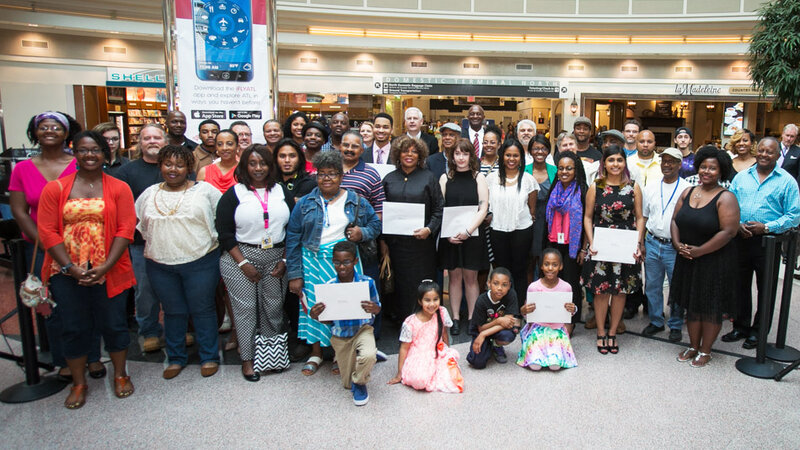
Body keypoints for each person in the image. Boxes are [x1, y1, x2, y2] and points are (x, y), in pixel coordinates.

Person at [38, 130, 137, 408]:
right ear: (75, 153)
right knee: (73, 327)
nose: (90, 155)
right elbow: (46, 231)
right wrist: (70, 267)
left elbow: (125, 228)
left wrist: (105, 266)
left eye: (95, 150)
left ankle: (120, 374)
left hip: (110, 269)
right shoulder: (56, 189)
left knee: (114, 324)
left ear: (105, 153)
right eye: (83, 150)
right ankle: (79, 383)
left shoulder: (119, 187)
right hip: (66, 273)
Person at [286, 151, 381, 376]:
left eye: (333, 174)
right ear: (316, 176)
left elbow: (375, 225)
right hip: (311, 262)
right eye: (322, 174)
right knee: (315, 307)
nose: (327, 179)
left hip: (343, 263)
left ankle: (342, 353)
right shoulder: (305, 202)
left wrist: (361, 232)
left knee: (344, 309)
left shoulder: (355, 200)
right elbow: (293, 237)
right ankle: (316, 353)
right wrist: (294, 274)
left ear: (341, 176)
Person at [136, 145, 222, 379]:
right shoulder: (149, 194)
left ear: (189, 168)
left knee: (203, 309)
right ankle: (175, 358)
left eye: (180, 165)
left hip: (201, 260)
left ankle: (209, 356)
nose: (173, 169)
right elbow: (143, 227)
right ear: (160, 165)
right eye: (168, 164)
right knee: (173, 311)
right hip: (160, 263)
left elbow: (220, 220)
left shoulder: (205, 191)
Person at [10, 111, 83, 381]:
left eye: (56, 127)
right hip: (40, 247)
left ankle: (92, 355)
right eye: (43, 127)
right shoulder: (22, 169)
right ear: (35, 132)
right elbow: (19, 211)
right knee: (53, 304)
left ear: (67, 134)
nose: (49, 130)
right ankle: (63, 358)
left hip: (81, 245)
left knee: (88, 298)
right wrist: (47, 244)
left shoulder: (79, 163)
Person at [216, 145, 293, 381]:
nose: (258, 168)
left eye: (263, 163)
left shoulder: (281, 191)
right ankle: (248, 360)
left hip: (275, 257)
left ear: (270, 166)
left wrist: (284, 260)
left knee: (272, 308)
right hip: (240, 258)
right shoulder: (235, 194)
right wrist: (243, 264)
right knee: (246, 309)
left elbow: (293, 229)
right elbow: (224, 232)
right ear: (245, 166)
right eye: (252, 163)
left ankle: (272, 356)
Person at [724, 138, 800, 349]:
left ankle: (758, 331)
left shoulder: (787, 181)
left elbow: (794, 215)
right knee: (739, 285)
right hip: (741, 239)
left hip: (769, 241)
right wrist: (738, 224)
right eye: (762, 150)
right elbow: (730, 204)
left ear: (777, 156)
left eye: (770, 152)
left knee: (765, 287)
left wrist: (766, 227)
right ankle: (740, 326)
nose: (765, 155)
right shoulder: (741, 177)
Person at [670, 146, 740, 367]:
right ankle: (692, 345)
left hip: (713, 261)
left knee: (709, 306)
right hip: (687, 258)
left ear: (721, 171)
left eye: (712, 168)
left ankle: (706, 350)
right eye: (703, 167)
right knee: (692, 305)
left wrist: (700, 251)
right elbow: (674, 220)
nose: (706, 171)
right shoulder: (688, 192)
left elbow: (728, 232)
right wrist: (677, 244)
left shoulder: (725, 197)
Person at [113, 124, 172, 353]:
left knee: (173, 290)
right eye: (147, 138)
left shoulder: (173, 166)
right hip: (141, 244)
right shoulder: (127, 172)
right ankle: (149, 331)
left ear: (164, 141)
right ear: (140, 142)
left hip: (173, 241)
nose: (152, 141)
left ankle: (176, 329)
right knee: (145, 291)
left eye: (156, 137)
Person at [582, 145, 645, 355]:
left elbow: (639, 217)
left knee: (620, 292)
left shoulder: (633, 187)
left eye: (619, 160)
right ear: (604, 163)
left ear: (624, 163)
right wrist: (592, 243)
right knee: (601, 292)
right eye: (611, 160)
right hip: (601, 246)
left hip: (625, 247)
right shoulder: (596, 187)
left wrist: (638, 243)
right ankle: (600, 332)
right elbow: (588, 217)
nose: (615, 164)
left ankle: (612, 332)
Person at [309, 241, 380, 405]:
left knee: (367, 358)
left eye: (346, 262)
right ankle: (368, 357)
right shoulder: (329, 287)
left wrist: (374, 308)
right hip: (341, 336)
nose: (341, 267)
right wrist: (315, 315)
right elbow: (327, 319)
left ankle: (361, 380)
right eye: (337, 262)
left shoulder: (367, 282)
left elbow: (377, 309)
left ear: (355, 261)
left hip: (363, 330)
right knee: (347, 384)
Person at [382, 136, 443, 320]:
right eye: (405, 151)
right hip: (396, 246)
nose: (409, 154)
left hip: (421, 247)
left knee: (421, 284)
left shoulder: (428, 177)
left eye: (414, 151)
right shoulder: (389, 179)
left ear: (421, 155)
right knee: (400, 285)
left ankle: (424, 320)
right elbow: (381, 211)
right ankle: (402, 321)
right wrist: (384, 243)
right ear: (397, 154)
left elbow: (439, 208)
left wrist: (429, 229)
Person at [438, 138, 489, 335]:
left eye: (465, 153)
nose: (461, 158)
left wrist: (468, 231)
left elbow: (483, 207)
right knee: (454, 277)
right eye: (457, 154)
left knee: (471, 278)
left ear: (471, 156)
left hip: (472, 235)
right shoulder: (445, 178)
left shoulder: (478, 178)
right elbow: (440, 208)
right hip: (450, 235)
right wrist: (449, 233)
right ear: (452, 156)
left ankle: (471, 319)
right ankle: (456, 318)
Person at [641, 148, 691, 342]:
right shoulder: (651, 187)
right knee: (652, 285)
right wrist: (641, 242)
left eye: (672, 161)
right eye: (664, 161)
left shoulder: (687, 189)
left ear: (680, 164)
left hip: (674, 246)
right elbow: (644, 217)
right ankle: (656, 321)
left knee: (676, 286)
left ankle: (676, 324)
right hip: (652, 241)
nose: (667, 164)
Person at [486, 138, 538, 303]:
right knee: (501, 272)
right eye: (508, 155)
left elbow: (532, 209)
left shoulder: (528, 180)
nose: (511, 159)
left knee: (520, 271)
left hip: (522, 230)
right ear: (502, 156)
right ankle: (502, 307)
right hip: (497, 230)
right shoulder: (492, 179)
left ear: (521, 158)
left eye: (516, 156)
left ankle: (519, 309)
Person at [388, 280, 463, 393]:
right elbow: (404, 348)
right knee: (420, 381)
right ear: (420, 301)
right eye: (427, 300)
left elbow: (444, 334)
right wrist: (399, 373)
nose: (432, 304)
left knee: (452, 377)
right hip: (419, 355)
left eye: (435, 299)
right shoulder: (410, 322)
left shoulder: (442, 312)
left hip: (437, 351)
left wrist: (447, 354)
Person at [545, 151, 588, 332]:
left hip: (574, 246)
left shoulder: (583, 191)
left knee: (570, 284)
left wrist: (583, 249)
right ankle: (555, 317)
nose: (564, 172)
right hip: (554, 244)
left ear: (576, 170)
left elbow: (588, 221)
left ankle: (571, 320)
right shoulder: (554, 189)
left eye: (569, 168)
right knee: (555, 281)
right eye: (561, 168)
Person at [517, 249, 578, 371]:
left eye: (554, 265)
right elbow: (527, 316)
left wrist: (573, 308)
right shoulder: (533, 287)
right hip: (537, 329)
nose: (550, 268)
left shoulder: (566, 287)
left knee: (555, 366)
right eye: (546, 264)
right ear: (541, 266)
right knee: (535, 366)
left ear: (560, 266)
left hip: (557, 330)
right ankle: (535, 351)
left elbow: (569, 313)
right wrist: (523, 310)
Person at [466, 267, 520, 369]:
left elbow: (508, 322)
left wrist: (484, 334)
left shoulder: (511, 295)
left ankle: (496, 345)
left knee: (508, 335)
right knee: (478, 363)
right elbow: (481, 328)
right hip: (481, 329)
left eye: (504, 285)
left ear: (509, 286)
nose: (500, 288)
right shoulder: (481, 300)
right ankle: (488, 345)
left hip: (497, 330)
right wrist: (498, 321)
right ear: (489, 283)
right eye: (496, 283)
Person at [526, 135, 557, 280]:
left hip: (549, 218)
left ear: (548, 151)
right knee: (529, 258)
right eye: (536, 148)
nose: (540, 152)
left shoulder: (555, 170)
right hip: (528, 217)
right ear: (530, 151)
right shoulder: (523, 170)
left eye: (544, 148)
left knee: (545, 257)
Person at [198, 128, 239, 193]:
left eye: (229, 144)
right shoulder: (204, 172)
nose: (224, 148)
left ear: (237, 146)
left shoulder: (244, 170)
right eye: (220, 144)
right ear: (216, 147)